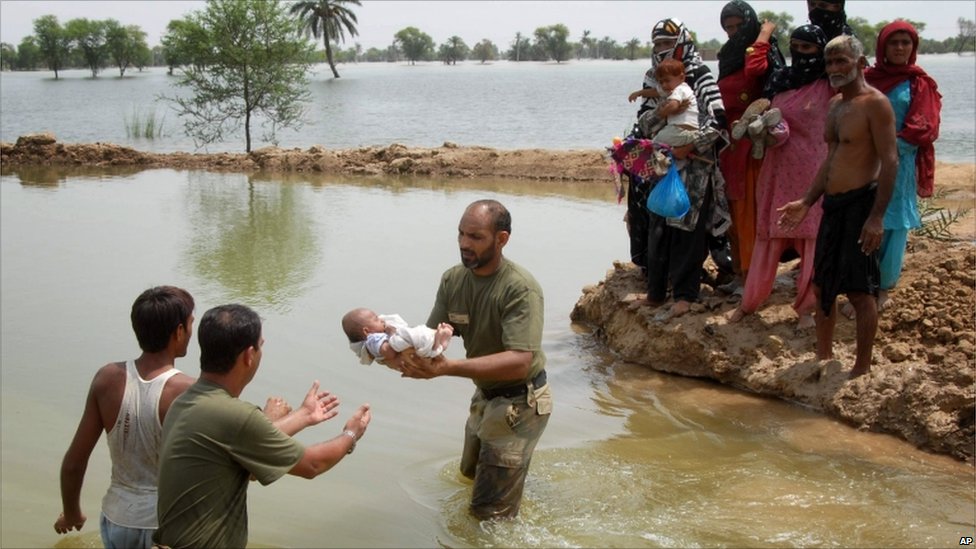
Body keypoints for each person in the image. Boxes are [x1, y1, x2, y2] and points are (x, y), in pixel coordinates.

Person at [154, 304, 372, 548]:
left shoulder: (186, 402)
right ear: (249, 355)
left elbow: (247, 460)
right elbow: (312, 464)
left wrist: (304, 414)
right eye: (261, 345)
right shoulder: (234, 415)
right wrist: (352, 433)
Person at [398, 199, 552, 520]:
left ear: (502, 239)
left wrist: (447, 368)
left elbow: (521, 361)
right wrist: (387, 343)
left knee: (487, 515)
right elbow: (429, 339)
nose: (465, 244)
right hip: (485, 397)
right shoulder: (453, 281)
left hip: (520, 403)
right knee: (468, 476)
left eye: (476, 237)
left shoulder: (519, 289)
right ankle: (513, 485)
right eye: (461, 234)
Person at [777, 34, 898, 379]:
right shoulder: (834, 106)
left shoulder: (875, 104)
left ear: (861, 64)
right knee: (821, 286)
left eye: (842, 61)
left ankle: (861, 368)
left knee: (861, 291)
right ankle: (823, 356)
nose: (834, 68)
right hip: (832, 205)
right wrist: (806, 200)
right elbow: (830, 161)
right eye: (830, 62)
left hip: (862, 205)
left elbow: (890, 162)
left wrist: (877, 217)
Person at [53, 286, 196, 549]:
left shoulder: (107, 378)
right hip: (164, 524)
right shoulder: (187, 391)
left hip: (116, 518)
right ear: (178, 332)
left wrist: (72, 511)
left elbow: (74, 463)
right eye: (190, 324)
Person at [728, 24, 834, 330]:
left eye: (808, 48)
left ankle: (806, 309)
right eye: (796, 47)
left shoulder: (829, 85)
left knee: (812, 241)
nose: (801, 54)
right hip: (777, 168)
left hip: (814, 171)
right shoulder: (779, 79)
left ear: (820, 51)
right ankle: (749, 304)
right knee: (769, 237)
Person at [626, 17, 732, 317]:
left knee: (688, 228)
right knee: (658, 227)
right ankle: (656, 294)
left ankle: (686, 294)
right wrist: (665, 109)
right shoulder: (654, 78)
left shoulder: (699, 75)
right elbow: (645, 124)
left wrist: (689, 146)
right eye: (658, 44)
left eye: (668, 44)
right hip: (663, 163)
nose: (663, 50)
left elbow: (718, 121)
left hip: (695, 166)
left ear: (682, 43)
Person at [842, 20, 941, 316]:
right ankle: (861, 287)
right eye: (893, 42)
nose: (899, 48)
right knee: (862, 220)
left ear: (913, 48)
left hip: (898, 163)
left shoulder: (919, 83)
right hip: (862, 162)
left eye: (905, 43)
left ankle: (883, 288)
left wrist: (885, 147)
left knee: (892, 224)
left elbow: (924, 128)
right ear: (882, 46)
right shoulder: (866, 79)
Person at [716, 0, 786, 290]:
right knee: (733, 208)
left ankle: (754, 275)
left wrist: (763, 35)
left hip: (750, 144)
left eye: (738, 26)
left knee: (750, 209)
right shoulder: (728, 55)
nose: (733, 33)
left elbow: (756, 71)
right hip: (729, 143)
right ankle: (740, 271)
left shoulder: (761, 52)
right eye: (728, 27)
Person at [342, 307, 453, 366]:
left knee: (417, 339)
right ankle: (437, 339)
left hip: (411, 356)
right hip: (403, 354)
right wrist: (392, 333)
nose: (381, 320)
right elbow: (388, 352)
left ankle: (438, 342)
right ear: (367, 331)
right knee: (411, 335)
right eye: (376, 319)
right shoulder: (373, 340)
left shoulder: (374, 337)